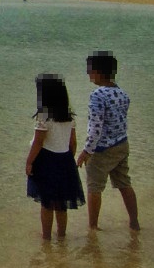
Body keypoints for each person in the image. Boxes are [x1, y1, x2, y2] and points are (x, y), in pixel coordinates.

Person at [76, 50, 140, 230]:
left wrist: (87, 151)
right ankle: (134, 220)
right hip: (122, 144)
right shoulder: (122, 94)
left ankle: (93, 227)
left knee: (94, 187)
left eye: (89, 70)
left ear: (98, 72)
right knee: (124, 183)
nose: (88, 74)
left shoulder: (97, 95)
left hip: (102, 149)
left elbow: (96, 127)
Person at [24, 73, 85, 239]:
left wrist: (29, 162)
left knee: (46, 203)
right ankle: (62, 235)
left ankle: (46, 237)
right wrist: (69, 159)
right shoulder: (69, 116)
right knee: (61, 203)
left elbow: (38, 142)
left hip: (46, 161)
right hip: (64, 159)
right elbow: (73, 142)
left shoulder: (44, 116)